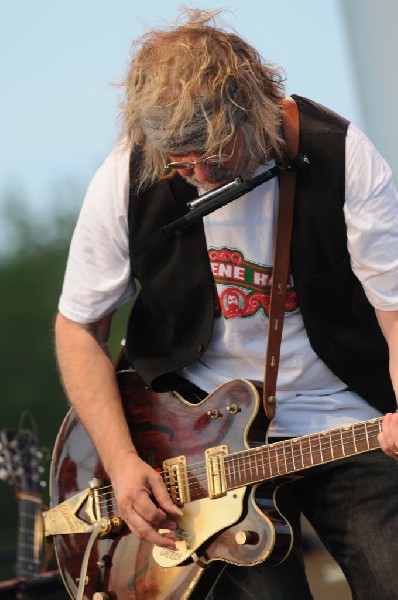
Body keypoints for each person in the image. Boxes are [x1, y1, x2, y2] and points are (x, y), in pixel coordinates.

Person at [54, 7, 398, 599]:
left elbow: (395, 307)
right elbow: (78, 328)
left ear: (257, 108)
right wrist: (120, 459)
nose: (203, 174)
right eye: (182, 162)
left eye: (216, 152)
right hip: (193, 449)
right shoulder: (125, 175)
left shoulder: (341, 154)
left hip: (342, 419)